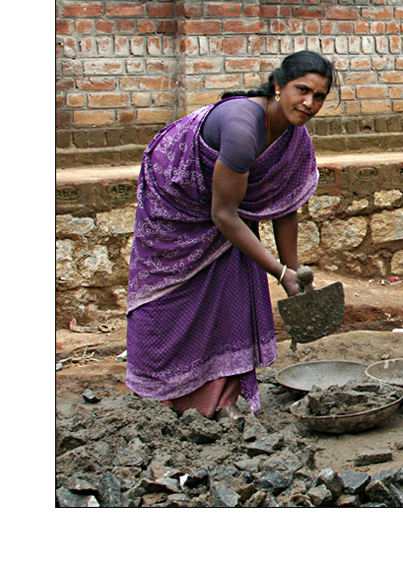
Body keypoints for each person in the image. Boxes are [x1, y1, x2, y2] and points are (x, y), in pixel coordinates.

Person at [125, 50, 335, 419]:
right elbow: (224, 216)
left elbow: (284, 200)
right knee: (168, 298)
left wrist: (294, 270)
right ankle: (159, 397)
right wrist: (278, 272)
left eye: (319, 97)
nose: (308, 103)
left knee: (233, 285)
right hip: (177, 203)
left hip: (224, 204)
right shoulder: (242, 127)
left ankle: (221, 400)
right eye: (302, 90)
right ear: (277, 86)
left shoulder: (294, 138)